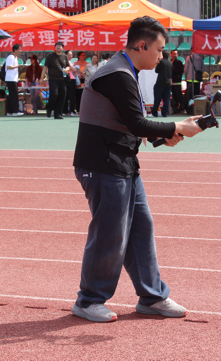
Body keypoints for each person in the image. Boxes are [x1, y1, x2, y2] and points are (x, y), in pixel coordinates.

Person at [71, 16, 203, 323]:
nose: (162, 56)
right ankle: (89, 300)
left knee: (141, 228)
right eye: (159, 49)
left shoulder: (125, 70)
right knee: (110, 234)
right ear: (142, 45)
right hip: (103, 164)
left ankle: (152, 297)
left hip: (122, 163)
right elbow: (137, 123)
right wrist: (176, 126)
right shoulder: (117, 74)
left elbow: (128, 124)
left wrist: (165, 134)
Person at [42, 41, 70, 119]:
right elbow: (45, 67)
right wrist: (41, 79)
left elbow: (68, 66)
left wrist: (67, 69)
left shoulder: (65, 56)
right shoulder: (50, 57)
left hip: (62, 79)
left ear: (63, 48)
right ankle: (49, 108)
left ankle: (58, 114)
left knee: (62, 96)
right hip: (53, 79)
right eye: (57, 45)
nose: (58, 47)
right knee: (54, 95)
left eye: (60, 46)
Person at [5, 44, 24, 117]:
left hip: (13, 78)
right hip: (11, 79)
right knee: (14, 95)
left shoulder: (15, 57)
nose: (20, 50)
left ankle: (10, 111)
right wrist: (18, 66)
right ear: (15, 50)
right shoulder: (11, 57)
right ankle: (15, 111)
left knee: (12, 95)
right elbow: (8, 66)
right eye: (19, 49)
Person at [153, 50, 173, 117]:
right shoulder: (170, 63)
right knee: (166, 99)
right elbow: (171, 73)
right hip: (168, 83)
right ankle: (165, 113)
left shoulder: (160, 62)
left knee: (157, 99)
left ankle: (155, 113)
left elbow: (156, 70)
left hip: (160, 83)